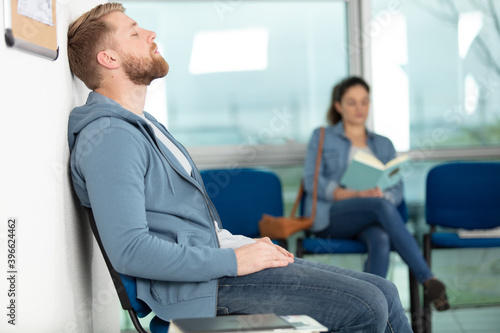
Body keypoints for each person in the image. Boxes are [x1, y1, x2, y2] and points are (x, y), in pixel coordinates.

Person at [67, 3, 415, 331]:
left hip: (218, 261)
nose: (150, 34)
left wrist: (241, 248)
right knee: (367, 305)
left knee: (383, 290)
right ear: (108, 57)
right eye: (133, 33)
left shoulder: (144, 123)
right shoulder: (111, 136)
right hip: (199, 287)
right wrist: (235, 261)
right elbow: (131, 251)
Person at [303, 76, 449, 311]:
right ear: (338, 106)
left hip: (372, 213)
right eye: (352, 102)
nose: (359, 108)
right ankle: (427, 278)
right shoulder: (321, 137)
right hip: (333, 215)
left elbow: (396, 187)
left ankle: (368, 313)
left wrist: (382, 196)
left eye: (364, 102)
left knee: (380, 237)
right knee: (378, 206)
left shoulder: (383, 143)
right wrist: (355, 196)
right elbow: (312, 181)